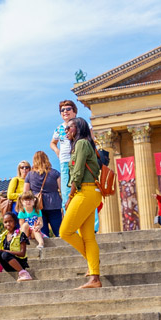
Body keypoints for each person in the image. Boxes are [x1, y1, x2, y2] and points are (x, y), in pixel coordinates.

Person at [61, 116, 104, 289]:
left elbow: (77, 173)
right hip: (89, 192)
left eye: (69, 128)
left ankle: (93, 262)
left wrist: (69, 197)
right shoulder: (84, 144)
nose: (66, 131)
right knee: (88, 237)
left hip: (84, 191)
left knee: (65, 231)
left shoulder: (81, 144)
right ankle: (94, 275)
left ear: (78, 128)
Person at [24, 150, 62, 237]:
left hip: (37, 205)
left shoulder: (30, 175)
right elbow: (62, 189)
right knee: (59, 231)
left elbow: (25, 193)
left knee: (43, 232)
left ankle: (45, 249)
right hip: (54, 204)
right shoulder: (55, 173)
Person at [0, 212, 34, 283]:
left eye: (10, 221)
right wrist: (2, 251)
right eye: (5, 222)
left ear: (15, 222)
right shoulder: (2, 236)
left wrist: (7, 251)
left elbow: (22, 253)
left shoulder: (21, 234)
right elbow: (1, 253)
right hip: (7, 265)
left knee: (4, 254)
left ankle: (24, 274)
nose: (8, 224)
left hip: (19, 263)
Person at [50, 101, 78, 203]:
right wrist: (57, 151)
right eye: (62, 110)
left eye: (68, 109)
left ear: (74, 112)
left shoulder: (82, 124)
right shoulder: (59, 128)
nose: (65, 111)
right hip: (65, 161)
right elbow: (52, 143)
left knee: (83, 189)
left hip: (79, 160)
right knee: (66, 192)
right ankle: (68, 216)